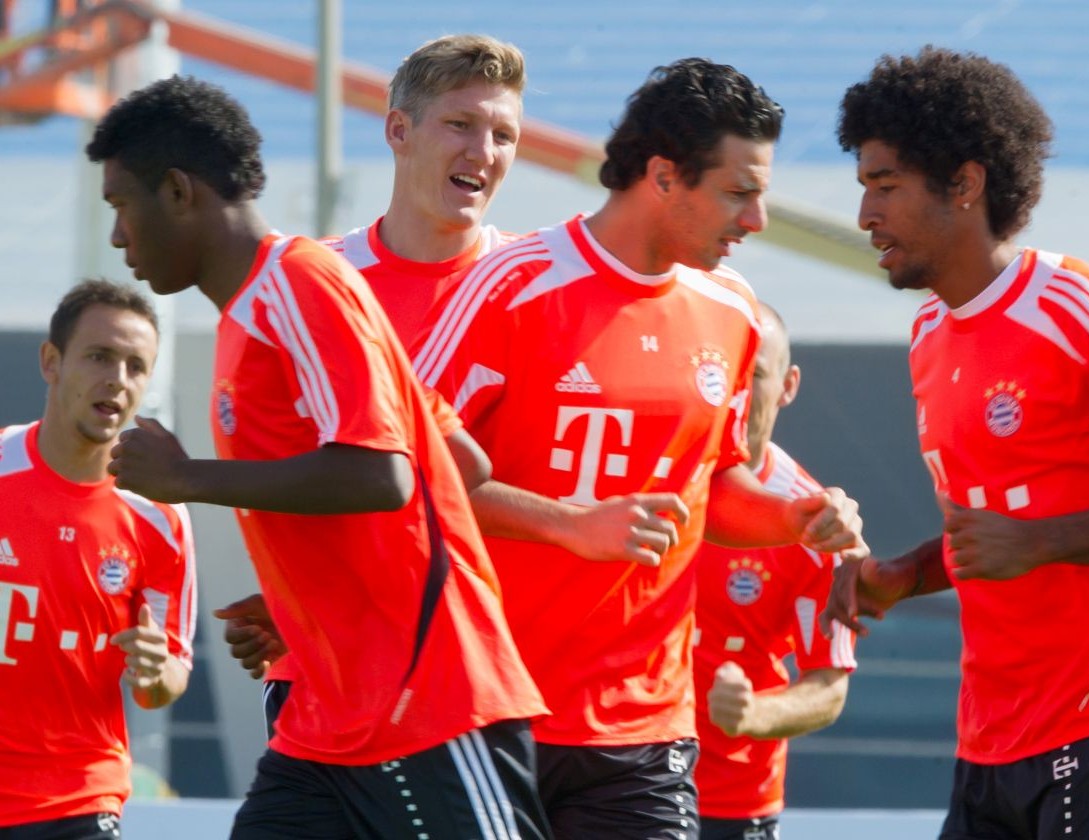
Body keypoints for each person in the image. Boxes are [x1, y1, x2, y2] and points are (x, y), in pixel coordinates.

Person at [86, 75, 550, 839]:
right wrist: (307, 603)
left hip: (424, 705)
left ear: (175, 192)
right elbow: (456, 459)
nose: (116, 236)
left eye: (120, 206)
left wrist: (185, 479)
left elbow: (383, 472)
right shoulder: (256, 312)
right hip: (328, 721)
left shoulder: (298, 282)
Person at [417, 58, 868, 838]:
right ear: (662, 175)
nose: (755, 220)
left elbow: (714, 491)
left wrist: (798, 518)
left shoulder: (733, 312)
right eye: (738, 192)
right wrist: (568, 523)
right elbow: (403, 476)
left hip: (645, 731)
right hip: (489, 712)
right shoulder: (506, 286)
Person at [825, 47, 1089, 840]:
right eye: (864, 189)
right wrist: (900, 576)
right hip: (991, 742)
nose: (865, 216)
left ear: (965, 183)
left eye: (884, 186)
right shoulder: (929, 337)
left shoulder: (1075, 304)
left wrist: (1039, 542)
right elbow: (994, 530)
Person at [216, 35, 689, 729]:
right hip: (329, 675)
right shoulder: (310, 282)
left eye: (504, 134)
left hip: (479, 684)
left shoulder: (538, 290)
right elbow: (295, 470)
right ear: (399, 131)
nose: (484, 152)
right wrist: (297, 598)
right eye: (461, 125)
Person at [0, 280, 195, 840]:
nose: (118, 378)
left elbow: (167, 676)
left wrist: (157, 673)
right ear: (51, 361)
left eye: (137, 366)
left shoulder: (161, 516)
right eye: (100, 356)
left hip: (81, 801)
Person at [693, 302, 856, 840]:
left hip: (729, 805)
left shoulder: (815, 523)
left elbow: (828, 689)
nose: (737, 394)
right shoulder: (649, 477)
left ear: (787, 385)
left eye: (755, 376)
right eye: (724, 375)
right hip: (613, 781)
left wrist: (750, 717)